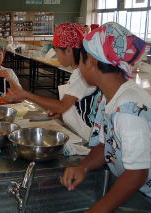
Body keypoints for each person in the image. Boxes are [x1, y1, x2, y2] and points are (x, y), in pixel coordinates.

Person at [61, 22, 151, 213]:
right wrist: (83, 167)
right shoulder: (109, 98)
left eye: (81, 60)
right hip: (133, 190)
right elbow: (104, 146)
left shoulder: (128, 109)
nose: (79, 66)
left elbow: (137, 175)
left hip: (144, 195)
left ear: (92, 61)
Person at [8, 23, 102, 140]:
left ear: (68, 50)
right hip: (78, 131)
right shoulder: (80, 71)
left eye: (57, 52)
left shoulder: (81, 74)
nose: (57, 56)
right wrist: (64, 115)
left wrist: (25, 94)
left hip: (85, 137)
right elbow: (74, 104)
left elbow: (62, 106)